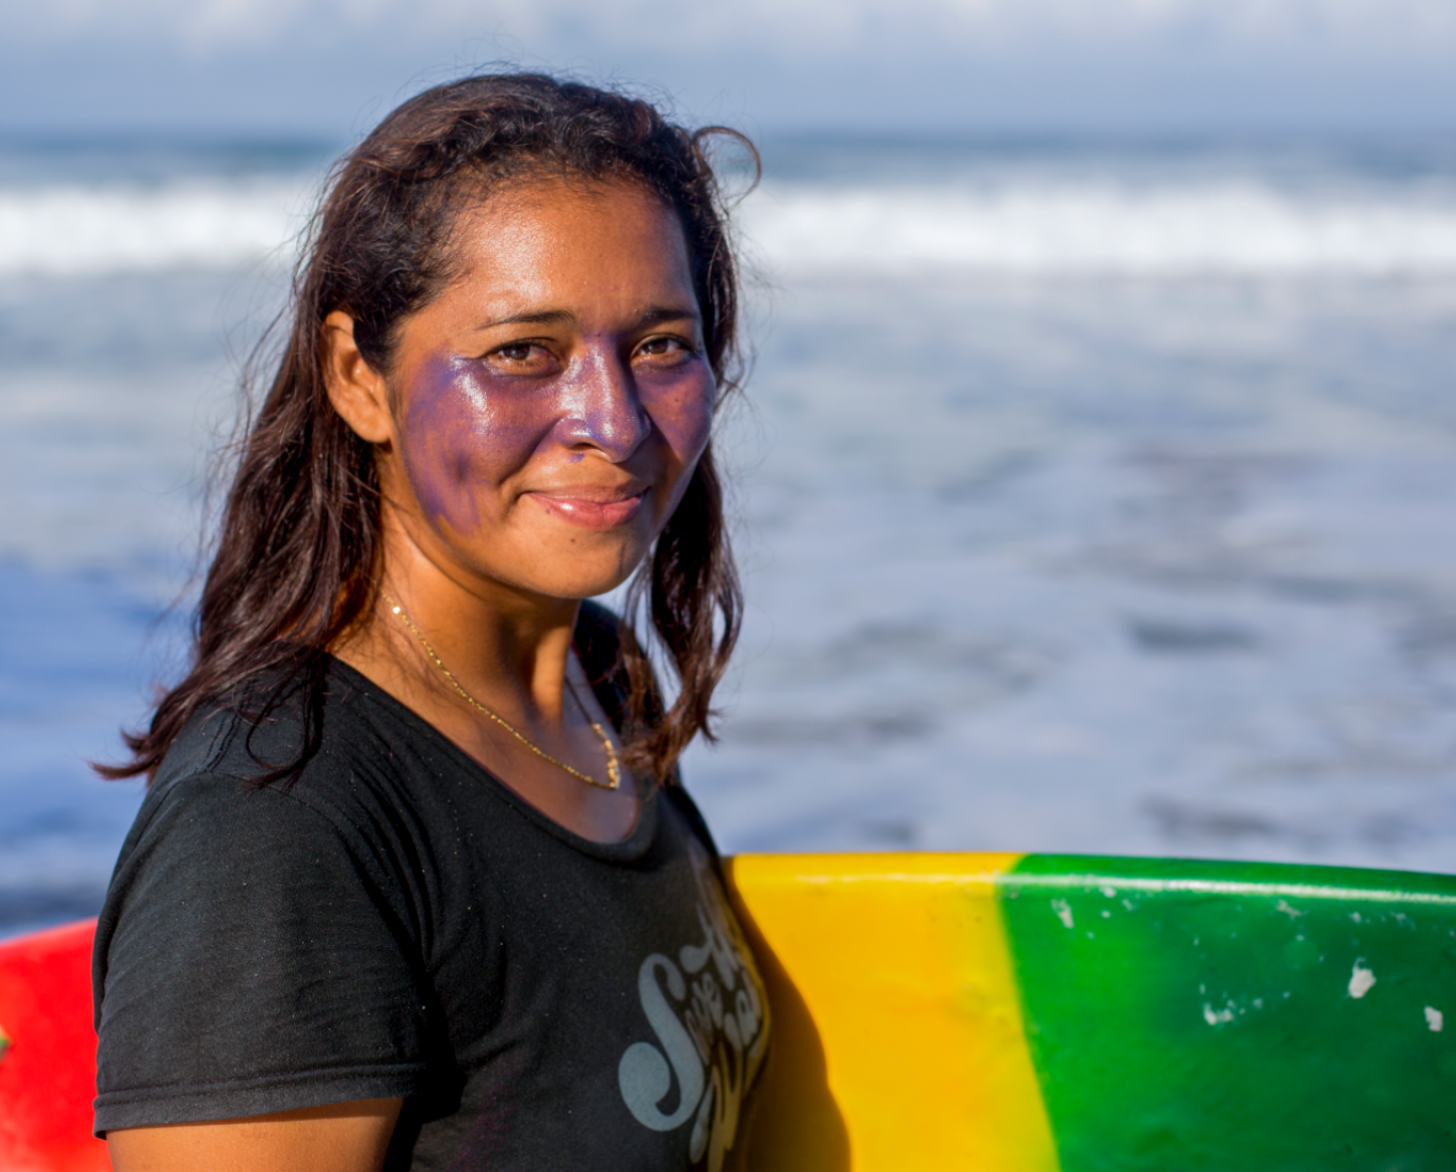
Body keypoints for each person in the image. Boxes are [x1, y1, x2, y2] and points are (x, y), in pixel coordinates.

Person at [91, 73, 770, 1172]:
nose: (611, 419)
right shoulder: (277, 819)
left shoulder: (600, 680)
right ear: (358, 377)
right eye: (520, 351)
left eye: (658, 344)